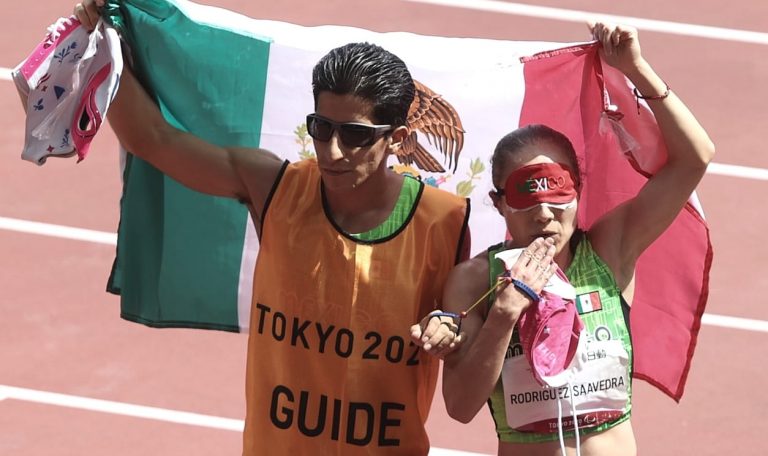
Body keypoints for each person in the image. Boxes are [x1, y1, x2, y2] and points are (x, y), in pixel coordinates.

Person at [74, 1, 470, 454]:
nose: (333, 151)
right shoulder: (275, 190)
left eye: (355, 135)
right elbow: (153, 140)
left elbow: (463, 352)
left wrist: (453, 328)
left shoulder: (446, 222)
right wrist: (101, 41)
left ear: (397, 140)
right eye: (321, 128)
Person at [412, 22, 715, 456]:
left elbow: (695, 158)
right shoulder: (476, 279)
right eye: (526, 198)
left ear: (578, 193)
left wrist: (635, 68)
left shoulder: (611, 249)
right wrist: (504, 314)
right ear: (500, 205)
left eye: (558, 196)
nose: (544, 214)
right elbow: (459, 407)